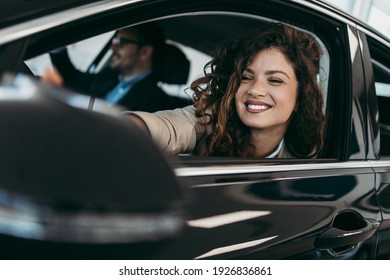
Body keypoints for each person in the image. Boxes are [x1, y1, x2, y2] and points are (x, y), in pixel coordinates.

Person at [126, 22, 326, 158]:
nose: (255, 90)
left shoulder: (314, 154)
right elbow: (167, 128)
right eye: (246, 77)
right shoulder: (212, 117)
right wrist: (116, 131)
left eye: (275, 80)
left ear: (300, 97)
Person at [49, 22, 191, 112]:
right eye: (114, 40)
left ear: (145, 52)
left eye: (121, 42)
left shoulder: (156, 102)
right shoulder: (108, 77)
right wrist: (57, 41)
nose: (113, 47)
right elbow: (71, 77)